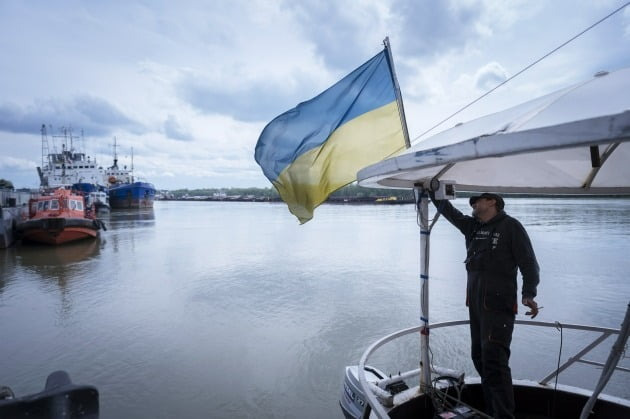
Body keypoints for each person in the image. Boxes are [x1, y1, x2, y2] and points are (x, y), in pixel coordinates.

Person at [430, 191, 540, 419]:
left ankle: (503, 415)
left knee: (495, 362)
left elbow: (528, 263)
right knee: (479, 357)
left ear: (492, 202)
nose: (473, 204)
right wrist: (432, 191)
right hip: (477, 306)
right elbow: (450, 212)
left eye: (477, 200)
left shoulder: (511, 226)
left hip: (498, 307)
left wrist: (528, 293)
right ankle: (493, 411)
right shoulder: (473, 228)